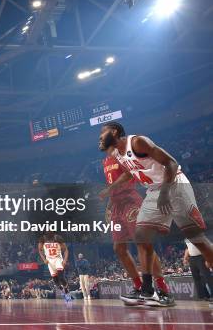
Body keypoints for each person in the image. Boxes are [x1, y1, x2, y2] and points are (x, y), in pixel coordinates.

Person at [98, 121, 213, 306]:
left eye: (101, 134)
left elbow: (171, 163)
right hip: (154, 189)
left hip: (174, 184)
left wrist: (166, 192)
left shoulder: (137, 142)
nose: (99, 139)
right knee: (141, 235)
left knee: (196, 237)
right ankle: (149, 290)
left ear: (114, 131)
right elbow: (130, 172)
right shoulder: (118, 154)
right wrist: (111, 191)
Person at [100, 152, 173, 306]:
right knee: (119, 248)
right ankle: (139, 287)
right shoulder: (105, 161)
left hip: (130, 201)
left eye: (102, 136)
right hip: (116, 205)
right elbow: (112, 188)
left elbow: (128, 175)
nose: (100, 140)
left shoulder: (123, 154)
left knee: (143, 244)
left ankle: (162, 289)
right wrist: (109, 207)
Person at [38, 232, 71, 301]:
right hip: (49, 261)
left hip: (58, 259)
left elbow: (66, 250)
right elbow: (40, 250)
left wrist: (64, 260)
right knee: (55, 280)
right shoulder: (43, 239)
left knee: (61, 277)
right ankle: (62, 290)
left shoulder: (57, 238)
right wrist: (44, 259)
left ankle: (67, 291)